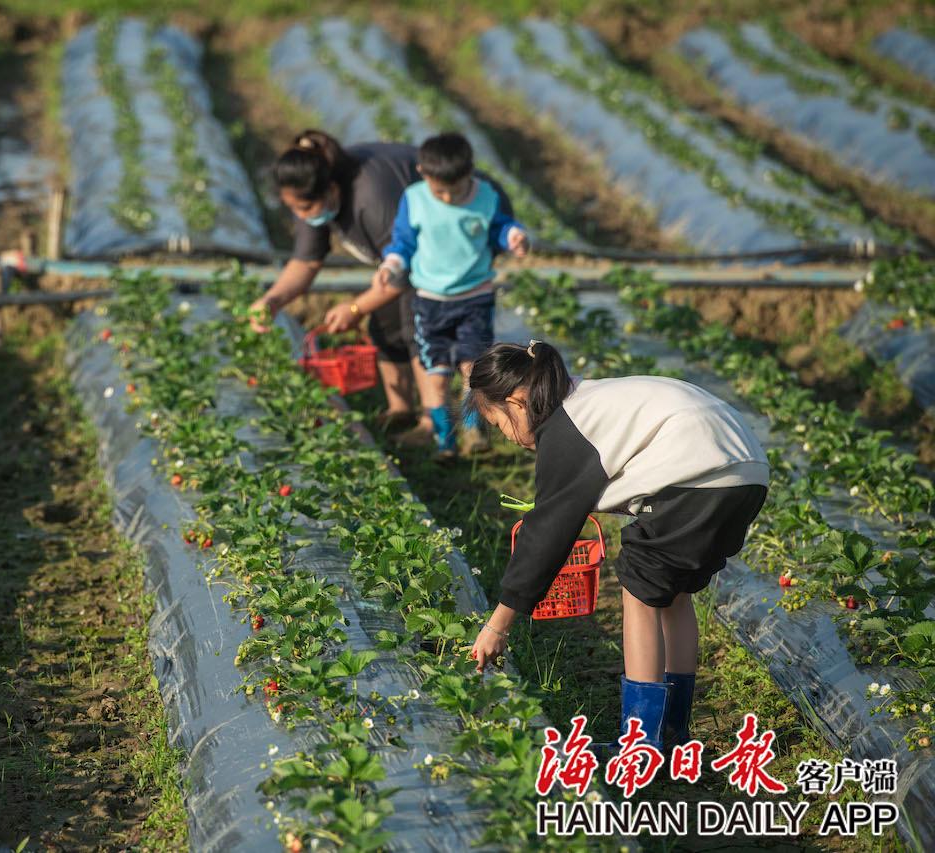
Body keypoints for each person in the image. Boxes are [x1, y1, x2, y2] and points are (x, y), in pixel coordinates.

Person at [465, 341, 769, 754]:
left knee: (639, 591)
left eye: (500, 425)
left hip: (700, 472)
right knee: (672, 594)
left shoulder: (566, 425)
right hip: (746, 473)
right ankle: (673, 732)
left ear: (516, 402)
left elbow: (547, 534)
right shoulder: (585, 398)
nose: (510, 438)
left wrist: (497, 625)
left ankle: (642, 743)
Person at [323, 132, 530, 458]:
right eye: (439, 190)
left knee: (471, 366)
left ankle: (473, 428)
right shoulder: (415, 199)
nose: (447, 198)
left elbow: (499, 227)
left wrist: (513, 236)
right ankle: (443, 440)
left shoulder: (485, 196)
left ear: (469, 174)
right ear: (422, 172)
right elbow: (402, 242)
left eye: (456, 189)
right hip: (430, 301)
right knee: (434, 371)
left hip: (474, 298)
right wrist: (391, 264)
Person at [248, 130, 426, 431]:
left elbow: (404, 272)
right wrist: (272, 300)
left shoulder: (372, 198)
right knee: (384, 322)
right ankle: (401, 410)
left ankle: (434, 425)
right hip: (395, 262)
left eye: (304, 209)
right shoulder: (312, 197)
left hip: (448, 236)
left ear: (331, 189)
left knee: (417, 326)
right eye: (294, 209)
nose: (300, 216)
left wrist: (355, 308)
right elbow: (305, 261)